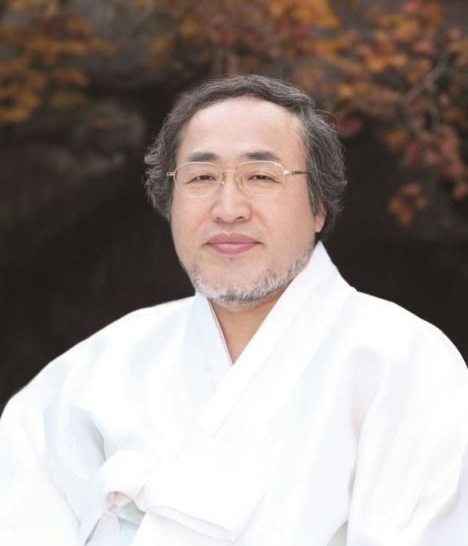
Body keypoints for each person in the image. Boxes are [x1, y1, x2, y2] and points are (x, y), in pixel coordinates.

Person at [1, 75, 467, 546]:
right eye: (201, 178)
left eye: (261, 176)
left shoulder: (405, 365)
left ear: (319, 207)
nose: (228, 208)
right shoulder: (98, 370)